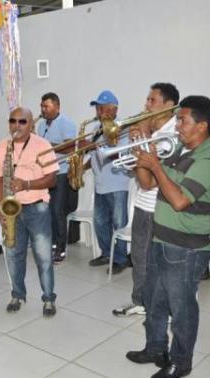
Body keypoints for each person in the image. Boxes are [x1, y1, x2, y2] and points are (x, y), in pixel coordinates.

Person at [126, 96, 210, 378]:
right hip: (161, 239)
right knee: (154, 301)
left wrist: (155, 165)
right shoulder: (181, 149)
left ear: (202, 126)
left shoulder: (208, 160)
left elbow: (180, 200)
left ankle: (181, 362)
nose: (177, 125)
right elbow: (147, 183)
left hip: (186, 249)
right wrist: (141, 153)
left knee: (182, 311)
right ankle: (156, 349)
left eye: (183, 120)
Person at [112, 83, 179, 317]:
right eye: (147, 100)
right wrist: (137, 146)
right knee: (139, 257)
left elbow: (148, 182)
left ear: (169, 106)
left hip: (157, 208)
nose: (146, 105)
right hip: (143, 205)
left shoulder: (172, 136)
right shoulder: (155, 133)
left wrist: (140, 143)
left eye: (152, 100)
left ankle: (158, 308)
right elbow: (136, 172)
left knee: (154, 263)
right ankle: (140, 301)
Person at [0, 107, 59, 317]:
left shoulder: (42, 145)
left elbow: (52, 179)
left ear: (31, 125)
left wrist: (27, 184)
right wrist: (2, 208)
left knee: (43, 256)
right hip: (12, 210)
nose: (16, 126)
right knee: (13, 255)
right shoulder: (1, 148)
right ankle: (18, 294)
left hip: (37, 206)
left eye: (22, 122)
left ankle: (48, 298)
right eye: (13, 121)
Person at [86, 90, 130, 274]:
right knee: (100, 221)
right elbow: (94, 154)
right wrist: (82, 167)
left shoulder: (123, 128)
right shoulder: (95, 129)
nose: (99, 111)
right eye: (97, 108)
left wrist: (104, 147)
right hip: (100, 183)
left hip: (117, 182)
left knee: (118, 222)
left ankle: (120, 259)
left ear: (114, 109)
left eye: (103, 108)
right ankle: (106, 253)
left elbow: (124, 154)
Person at [35, 92, 77, 263]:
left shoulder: (67, 123)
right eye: (42, 106)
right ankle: (51, 244)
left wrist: (46, 146)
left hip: (60, 173)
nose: (43, 109)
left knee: (58, 212)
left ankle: (61, 248)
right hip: (45, 174)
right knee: (47, 212)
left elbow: (70, 149)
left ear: (57, 107)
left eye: (46, 106)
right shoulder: (41, 125)